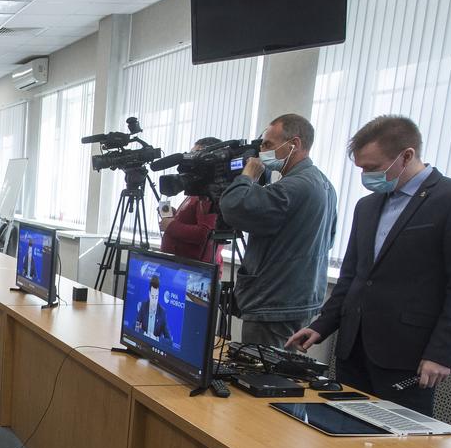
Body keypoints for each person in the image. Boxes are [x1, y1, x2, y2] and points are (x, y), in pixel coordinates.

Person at [287, 115, 451, 415]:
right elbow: (353, 277)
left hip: (407, 355)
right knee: (343, 431)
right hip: (353, 349)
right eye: (360, 169)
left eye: (372, 168)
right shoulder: (367, 205)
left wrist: (442, 354)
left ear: (406, 155)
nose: (365, 177)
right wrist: (322, 325)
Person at [218, 114, 338, 347]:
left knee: (261, 374)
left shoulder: (292, 187)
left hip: (274, 303)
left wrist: (248, 176)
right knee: (281, 373)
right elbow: (330, 237)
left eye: (268, 145)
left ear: (295, 144)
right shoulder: (324, 184)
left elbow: (232, 207)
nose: (261, 151)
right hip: (299, 298)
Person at [158, 136, 224, 266]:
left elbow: (204, 234)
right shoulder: (197, 189)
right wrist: (175, 215)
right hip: (180, 265)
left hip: (193, 270)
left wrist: (170, 225)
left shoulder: (210, 195)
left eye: (194, 155)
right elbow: (193, 219)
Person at [134, 274, 171, 342]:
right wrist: (144, 334)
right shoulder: (143, 307)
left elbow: (169, 341)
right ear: (149, 294)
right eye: (152, 297)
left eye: (156, 297)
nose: (154, 301)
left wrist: (156, 339)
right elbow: (135, 327)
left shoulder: (162, 312)